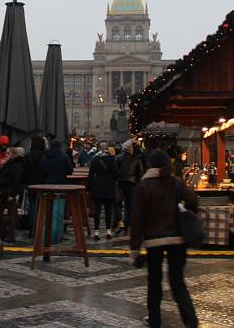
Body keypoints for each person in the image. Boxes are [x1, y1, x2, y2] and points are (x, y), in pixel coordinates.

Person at [130, 149, 198, 328]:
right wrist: (183, 210)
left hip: (154, 241)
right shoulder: (175, 182)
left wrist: (135, 248)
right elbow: (193, 200)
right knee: (177, 282)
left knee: (154, 282)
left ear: (149, 165)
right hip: (178, 239)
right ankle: (191, 322)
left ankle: (155, 320)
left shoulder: (143, 186)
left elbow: (137, 219)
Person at [87, 141, 119, 240]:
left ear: (99, 148)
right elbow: (115, 174)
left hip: (97, 185)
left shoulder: (95, 159)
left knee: (97, 210)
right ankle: (108, 231)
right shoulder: (112, 158)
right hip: (108, 185)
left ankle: (96, 232)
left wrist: (89, 188)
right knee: (108, 210)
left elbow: (91, 174)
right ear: (107, 148)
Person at [113, 140, 144, 235]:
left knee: (117, 204)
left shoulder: (117, 158)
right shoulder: (136, 159)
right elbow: (140, 173)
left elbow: (114, 171)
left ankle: (119, 222)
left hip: (119, 184)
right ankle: (128, 226)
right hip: (132, 184)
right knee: (129, 206)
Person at [0, 147, 26, 241]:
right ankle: (4, 234)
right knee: (4, 212)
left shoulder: (16, 165)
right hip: (5, 191)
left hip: (9, 192)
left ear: (13, 154)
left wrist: (12, 194)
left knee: (10, 213)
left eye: (8, 153)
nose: (6, 155)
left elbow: (16, 181)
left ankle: (9, 235)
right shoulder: (10, 164)